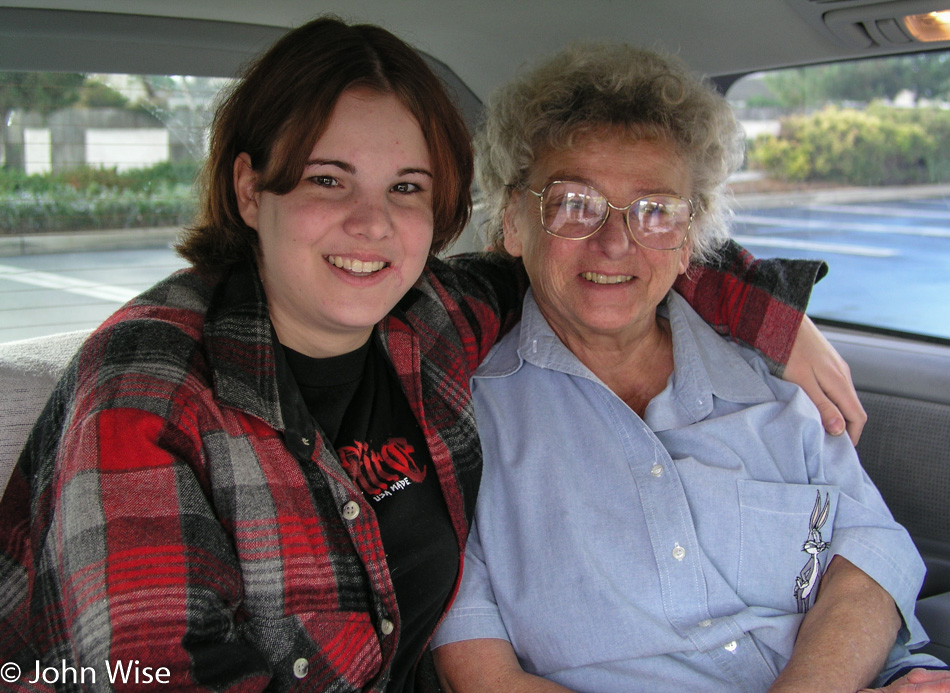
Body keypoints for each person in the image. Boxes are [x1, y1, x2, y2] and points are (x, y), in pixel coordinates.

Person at [0, 18, 862, 693]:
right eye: (327, 179)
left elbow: (602, 255)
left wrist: (776, 318)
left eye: (405, 188)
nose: (371, 224)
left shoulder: (429, 321)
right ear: (250, 188)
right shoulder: (147, 386)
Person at [431, 43, 949, 692]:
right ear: (512, 221)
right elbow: (483, 677)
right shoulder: (463, 427)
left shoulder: (774, 382)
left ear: (688, 243)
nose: (615, 242)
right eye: (574, 202)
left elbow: (869, 556)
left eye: (654, 210)